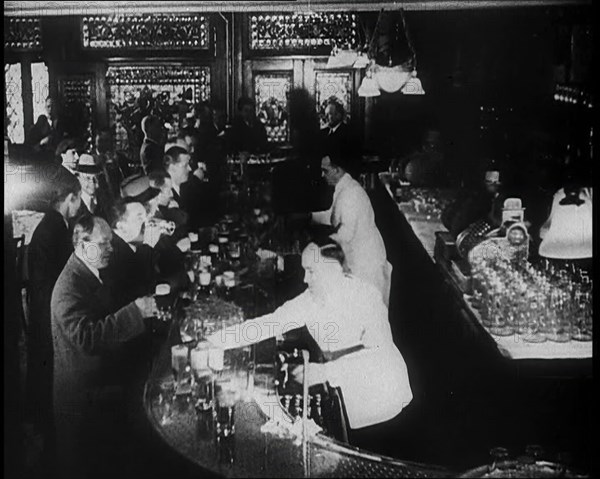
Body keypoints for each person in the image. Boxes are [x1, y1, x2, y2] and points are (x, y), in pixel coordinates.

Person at [207, 241, 412, 433]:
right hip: (346, 391)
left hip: (381, 396)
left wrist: (324, 372)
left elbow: (379, 355)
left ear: (333, 269)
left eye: (311, 271)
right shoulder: (311, 299)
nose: (305, 279)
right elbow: (270, 323)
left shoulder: (366, 297)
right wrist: (215, 341)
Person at [51, 215, 157, 479]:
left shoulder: (89, 271)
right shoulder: (69, 288)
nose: (111, 248)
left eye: (111, 242)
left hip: (98, 388)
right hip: (82, 400)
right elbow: (86, 337)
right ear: (82, 244)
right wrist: (136, 312)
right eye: (104, 243)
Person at [26, 167, 82, 468]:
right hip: (47, 317)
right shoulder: (54, 230)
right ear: (70, 199)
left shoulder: (54, 225)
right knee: (49, 381)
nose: (79, 208)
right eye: (78, 201)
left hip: (45, 311)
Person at [311, 152, 391, 306]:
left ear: (337, 170)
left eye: (325, 170)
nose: (322, 175)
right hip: (360, 258)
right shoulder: (344, 186)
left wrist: (318, 250)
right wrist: (309, 217)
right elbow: (334, 216)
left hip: (367, 265)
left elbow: (345, 235)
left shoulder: (350, 194)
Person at [103, 199, 159, 309]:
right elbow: (139, 288)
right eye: (139, 218)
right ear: (121, 227)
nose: (146, 223)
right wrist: (148, 246)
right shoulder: (111, 253)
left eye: (145, 217)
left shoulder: (127, 244)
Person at [164, 146, 215, 228]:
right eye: (185, 165)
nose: (190, 169)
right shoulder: (165, 193)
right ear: (172, 168)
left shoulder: (183, 188)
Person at [319, 99, 360, 177]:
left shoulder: (348, 134)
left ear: (338, 115)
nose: (326, 117)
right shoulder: (325, 133)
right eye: (326, 114)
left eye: (329, 114)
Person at [72, 153, 110, 221]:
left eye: (95, 179)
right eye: (88, 178)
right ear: (78, 178)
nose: (92, 183)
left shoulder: (104, 199)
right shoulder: (74, 206)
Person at [93, 128, 127, 202]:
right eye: (101, 141)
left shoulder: (120, 157)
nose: (104, 145)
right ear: (96, 143)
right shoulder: (90, 159)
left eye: (106, 141)